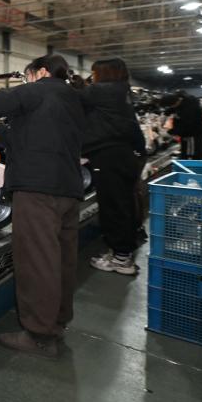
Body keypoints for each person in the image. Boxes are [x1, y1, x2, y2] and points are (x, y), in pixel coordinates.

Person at [0, 54, 84, 359]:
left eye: (28, 76)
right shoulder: (73, 98)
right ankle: (57, 321)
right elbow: (34, 139)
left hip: (38, 191)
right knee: (61, 260)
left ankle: (39, 335)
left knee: (37, 261)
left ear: (42, 72)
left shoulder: (40, 89)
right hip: (68, 189)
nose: (27, 82)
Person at [79, 58, 146, 276]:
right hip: (125, 155)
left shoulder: (99, 90)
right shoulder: (122, 92)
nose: (92, 77)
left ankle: (121, 259)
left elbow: (69, 99)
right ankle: (122, 251)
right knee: (124, 203)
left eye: (94, 73)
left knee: (113, 207)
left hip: (109, 157)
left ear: (103, 73)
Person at [163, 91, 202, 159]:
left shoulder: (190, 108)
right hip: (187, 133)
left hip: (192, 134)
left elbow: (186, 124)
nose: (172, 107)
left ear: (177, 101)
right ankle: (186, 160)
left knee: (191, 154)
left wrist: (172, 132)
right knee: (185, 151)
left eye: (171, 105)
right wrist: (167, 112)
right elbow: (174, 108)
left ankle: (192, 164)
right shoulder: (181, 101)